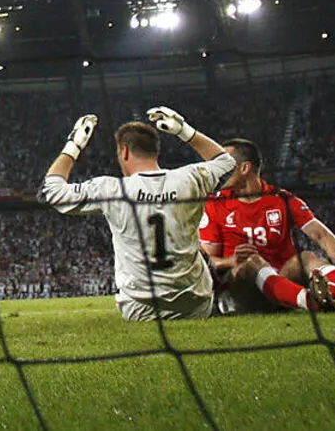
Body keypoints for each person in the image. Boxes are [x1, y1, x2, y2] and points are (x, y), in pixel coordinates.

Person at [37, 107, 237, 322]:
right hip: (195, 302)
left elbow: (50, 193)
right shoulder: (190, 178)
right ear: (155, 151)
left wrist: (74, 145)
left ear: (124, 152)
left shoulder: (112, 190)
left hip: (141, 307)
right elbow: (228, 164)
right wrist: (184, 131)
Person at [200, 138, 335, 314]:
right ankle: (311, 301)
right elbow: (207, 260)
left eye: (224, 164)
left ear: (244, 168)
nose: (218, 171)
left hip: (282, 285)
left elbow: (319, 233)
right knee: (253, 261)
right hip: (243, 292)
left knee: (305, 257)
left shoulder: (282, 199)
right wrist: (231, 261)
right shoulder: (214, 204)